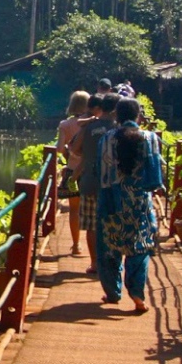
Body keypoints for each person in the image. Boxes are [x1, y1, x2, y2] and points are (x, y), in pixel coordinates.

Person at [97, 97, 164, 313]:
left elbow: (101, 172)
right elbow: (154, 176)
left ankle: (112, 292)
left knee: (109, 247)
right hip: (139, 202)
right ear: (139, 116)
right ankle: (137, 296)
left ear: (116, 115)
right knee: (140, 246)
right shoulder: (150, 138)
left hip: (111, 200)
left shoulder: (106, 138)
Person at [73, 92, 116, 278]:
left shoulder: (89, 126)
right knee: (112, 223)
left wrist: (88, 154)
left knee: (92, 224)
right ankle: (110, 262)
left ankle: (94, 263)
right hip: (112, 184)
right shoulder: (118, 128)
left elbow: (74, 148)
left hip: (90, 180)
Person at [55, 90, 90, 256]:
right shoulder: (91, 123)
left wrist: (68, 152)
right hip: (90, 171)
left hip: (72, 170)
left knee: (74, 209)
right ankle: (94, 247)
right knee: (93, 209)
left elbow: (59, 148)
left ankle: (76, 245)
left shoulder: (65, 125)